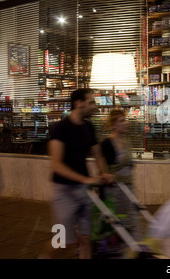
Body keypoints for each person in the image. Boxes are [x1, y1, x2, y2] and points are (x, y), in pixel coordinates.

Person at [39, 88, 113, 259]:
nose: (95, 107)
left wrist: (104, 173)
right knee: (62, 242)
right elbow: (56, 165)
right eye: (91, 102)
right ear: (78, 104)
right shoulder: (60, 129)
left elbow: (98, 155)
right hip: (64, 192)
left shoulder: (89, 127)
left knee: (86, 239)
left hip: (85, 192)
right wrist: (86, 179)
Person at [100, 109, 141, 244]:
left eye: (125, 120)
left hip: (128, 188)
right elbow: (103, 170)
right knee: (115, 223)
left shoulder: (127, 141)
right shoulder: (107, 144)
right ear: (113, 125)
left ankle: (137, 248)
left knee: (133, 220)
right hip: (115, 191)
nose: (125, 123)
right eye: (121, 121)